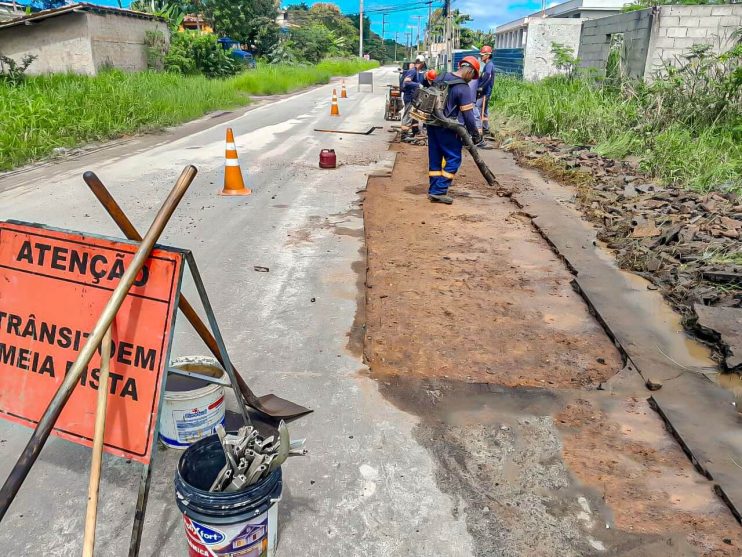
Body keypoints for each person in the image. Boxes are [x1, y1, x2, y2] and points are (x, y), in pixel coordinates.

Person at [427, 56, 483, 205]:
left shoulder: (442, 76)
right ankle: (439, 190)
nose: (471, 80)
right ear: (470, 71)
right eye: (473, 76)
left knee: (435, 158)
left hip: (432, 124)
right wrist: (475, 134)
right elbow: (469, 116)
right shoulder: (463, 88)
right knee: (454, 159)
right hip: (448, 128)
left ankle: (434, 190)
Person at [400, 58, 424, 137]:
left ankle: (410, 131)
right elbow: (407, 81)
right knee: (408, 115)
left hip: (411, 96)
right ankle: (404, 134)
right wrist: (417, 85)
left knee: (411, 114)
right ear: (420, 63)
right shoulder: (413, 71)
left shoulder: (415, 71)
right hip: (409, 96)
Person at [476, 45, 495, 135]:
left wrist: (481, 87)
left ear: (488, 55)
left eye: (483, 55)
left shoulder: (489, 65)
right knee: (484, 110)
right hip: (486, 91)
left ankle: (479, 128)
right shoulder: (487, 65)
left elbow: (488, 77)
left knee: (477, 108)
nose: (481, 56)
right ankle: (485, 128)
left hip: (485, 91)